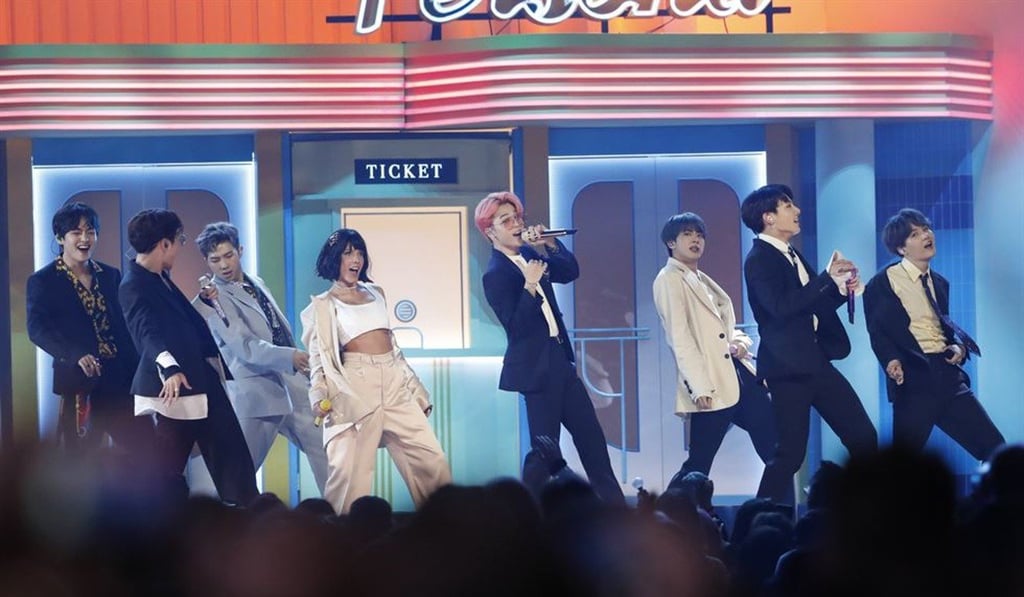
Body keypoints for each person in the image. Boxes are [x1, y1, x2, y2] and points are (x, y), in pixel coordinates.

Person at [475, 191, 625, 505]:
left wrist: (551, 243)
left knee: (592, 441)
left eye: (517, 218)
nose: (516, 224)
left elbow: (569, 272)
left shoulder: (530, 253)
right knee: (545, 451)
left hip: (561, 361)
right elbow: (516, 327)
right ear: (490, 232)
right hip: (535, 369)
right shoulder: (495, 274)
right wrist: (530, 285)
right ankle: (524, 513)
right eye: (506, 221)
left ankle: (616, 513)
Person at [741, 184, 876, 504]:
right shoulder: (759, 259)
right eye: (788, 205)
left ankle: (862, 511)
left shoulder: (791, 254)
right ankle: (757, 517)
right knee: (790, 454)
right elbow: (780, 307)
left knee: (863, 437)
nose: (797, 210)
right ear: (768, 217)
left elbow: (809, 307)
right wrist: (826, 278)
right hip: (786, 368)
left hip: (815, 361)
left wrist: (841, 289)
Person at [300, 228, 451, 514]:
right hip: (355, 386)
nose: (355, 259)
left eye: (359, 253)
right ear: (334, 259)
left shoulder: (376, 292)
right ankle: (339, 536)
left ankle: (443, 526)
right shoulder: (322, 305)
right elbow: (319, 358)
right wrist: (318, 395)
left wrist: (416, 390)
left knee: (432, 460)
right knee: (349, 475)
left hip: (394, 383)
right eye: (348, 253)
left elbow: (394, 348)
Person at [119, 208, 258, 505]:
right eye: (179, 240)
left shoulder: (159, 277)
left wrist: (205, 303)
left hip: (199, 379)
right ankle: (152, 522)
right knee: (165, 470)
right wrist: (169, 368)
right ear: (164, 244)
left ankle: (248, 515)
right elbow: (145, 332)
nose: (180, 247)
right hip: (176, 386)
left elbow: (179, 323)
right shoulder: (134, 283)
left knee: (232, 458)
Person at [189, 222, 330, 495]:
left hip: (290, 382)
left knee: (325, 450)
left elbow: (275, 329)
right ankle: (215, 517)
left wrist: (296, 362)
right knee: (238, 472)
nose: (224, 265)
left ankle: (341, 513)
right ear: (206, 261)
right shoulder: (212, 297)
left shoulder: (256, 282)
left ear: (240, 250)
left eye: (228, 255)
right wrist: (291, 356)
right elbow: (245, 346)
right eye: (215, 260)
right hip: (256, 390)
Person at [863, 208, 1003, 458]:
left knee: (995, 448)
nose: (926, 235)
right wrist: (891, 360)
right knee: (903, 463)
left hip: (947, 375)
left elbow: (943, 329)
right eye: (915, 234)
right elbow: (878, 331)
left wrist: (958, 348)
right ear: (901, 248)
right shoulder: (883, 282)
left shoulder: (939, 282)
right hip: (913, 377)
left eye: (926, 229)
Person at [652, 212, 777, 488]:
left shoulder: (701, 279)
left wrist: (740, 343)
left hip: (739, 376)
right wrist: (699, 387)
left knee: (775, 451)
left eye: (700, 235)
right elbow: (680, 338)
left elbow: (726, 329)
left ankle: (776, 509)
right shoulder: (669, 279)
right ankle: (669, 511)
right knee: (698, 464)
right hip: (710, 384)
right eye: (687, 234)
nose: (696, 240)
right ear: (671, 242)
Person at [26, 202, 152, 454]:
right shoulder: (43, 281)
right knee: (82, 462)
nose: (85, 239)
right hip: (80, 383)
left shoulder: (110, 275)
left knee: (148, 451)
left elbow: (127, 325)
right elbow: (37, 329)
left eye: (90, 232)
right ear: (60, 238)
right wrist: (75, 354)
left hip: (121, 380)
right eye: (76, 232)